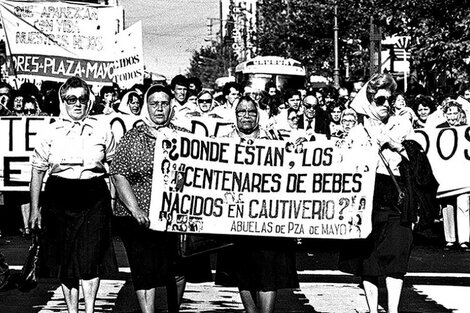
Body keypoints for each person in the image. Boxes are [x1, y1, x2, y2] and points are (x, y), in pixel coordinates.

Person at [29, 76, 117, 313]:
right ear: (62, 100)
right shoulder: (48, 132)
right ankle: (72, 311)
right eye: (71, 99)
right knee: (66, 260)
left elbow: (115, 166)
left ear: (89, 102)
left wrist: (116, 200)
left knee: (90, 259)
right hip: (59, 195)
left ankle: (89, 310)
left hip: (94, 194)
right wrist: (34, 210)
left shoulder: (102, 129)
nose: (77, 104)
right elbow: (37, 171)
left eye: (82, 99)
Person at [339, 73, 415, 313]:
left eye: (389, 100)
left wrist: (396, 145)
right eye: (380, 100)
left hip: (396, 194)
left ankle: (393, 310)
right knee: (369, 258)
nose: (386, 105)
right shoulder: (357, 133)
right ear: (368, 102)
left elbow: (417, 160)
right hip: (367, 197)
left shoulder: (402, 124)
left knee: (397, 256)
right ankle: (373, 309)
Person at [110, 84, 188, 313]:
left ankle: (174, 309)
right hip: (139, 217)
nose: (160, 109)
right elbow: (118, 173)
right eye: (154, 104)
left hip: (173, 216)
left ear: (171, 106)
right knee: (145, 270)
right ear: (147, 106)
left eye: (164, 103)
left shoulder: (182, 137)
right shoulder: (133, 137)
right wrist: (136, 210)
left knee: (177, 268)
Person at [225, 96, 299, 313]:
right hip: (235, 218)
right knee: (242, 270)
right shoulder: (221, 142)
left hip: (267, 218)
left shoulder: (273, 141)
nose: (246, 115)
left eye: (251, 111)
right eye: (241, 112)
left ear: (258, 115)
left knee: (268, 271)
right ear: (235, 115)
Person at [436, 100, 470, 251]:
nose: (452, 116)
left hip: (462, 173)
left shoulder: (466, 130)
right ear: (444, 114)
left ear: (460, 113)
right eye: (449, 113)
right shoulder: (438, 130)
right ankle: (450, 239)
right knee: (447, 206)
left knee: (464, 204)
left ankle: (464, 240)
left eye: (455, 112)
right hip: (446, 175)